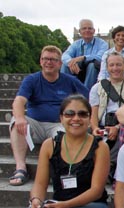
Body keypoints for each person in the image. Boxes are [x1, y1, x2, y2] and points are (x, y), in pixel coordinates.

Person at [9, 45, 88, 186]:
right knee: (16, 122)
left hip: (58, 124)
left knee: (66, 132)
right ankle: (20, 168)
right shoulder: (32, 80)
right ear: (40, 61)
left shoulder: (69, 81)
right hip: (35, 124)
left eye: (53, 59)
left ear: (59, 63)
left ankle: (58, 171)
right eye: (45, 59)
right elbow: (19, 101)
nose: (48, 62)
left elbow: (88, 99)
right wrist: (21, 117)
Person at [89, 52, 124, 176]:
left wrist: (117, 127)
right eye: (111, 65)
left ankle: (109, 167)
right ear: (107, 68)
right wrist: (95, 128)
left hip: (122, 125)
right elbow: (94, 113)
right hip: (101, 125)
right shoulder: (97, 88)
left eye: (118, 65)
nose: (115, 68)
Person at [61, 19, 108, 89]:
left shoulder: (102, 43)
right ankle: (64, 91)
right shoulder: (76, 44)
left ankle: (85, 93)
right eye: (84, 28)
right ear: (80, 31)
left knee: (92, 65)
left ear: (94, 31)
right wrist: (70, 63)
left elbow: (101, 57)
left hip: (95, 71)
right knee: (65, 65)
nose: (87, 30)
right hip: (78, 69)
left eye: (90, 28)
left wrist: (84, 57)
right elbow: (65, 55)